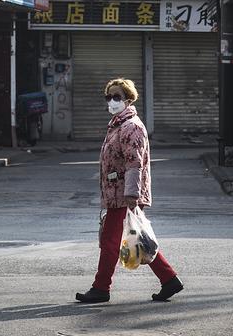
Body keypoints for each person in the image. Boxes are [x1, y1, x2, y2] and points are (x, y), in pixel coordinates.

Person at [75, 78, 184, 304]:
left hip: (124, 195)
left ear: (128, 99)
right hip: (117, 193)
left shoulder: (130, 126)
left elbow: (134, 163)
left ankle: (101, 288)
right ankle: (169, 279)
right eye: (109, 97)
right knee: (137, 238)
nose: (112, 101)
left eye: (117, 97)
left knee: (110, 242)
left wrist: (131, 195)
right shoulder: (118, 124)